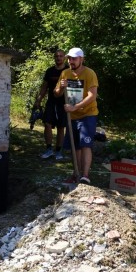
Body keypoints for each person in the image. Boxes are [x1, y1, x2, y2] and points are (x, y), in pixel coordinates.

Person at [53, 47, 99, 185]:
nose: (70, 61)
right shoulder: (65, 73)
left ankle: (85, 176)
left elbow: (92, 96)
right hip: (72, 116)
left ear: (81, 59)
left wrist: (75, 107)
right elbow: (56, 93)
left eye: (74, 58)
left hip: (88, 114)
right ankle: (76, 174)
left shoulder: (89, 73)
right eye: (69, 58)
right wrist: (61, 87)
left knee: (85, 144)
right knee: (75, 146)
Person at [33, 49, 69, 160]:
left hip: (64, 103)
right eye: (56, 56)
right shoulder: (50, 71)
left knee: (60, 127)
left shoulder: (68, 70)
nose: (58, 58)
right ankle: (49, 149)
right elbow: (44, 87)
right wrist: (39, 99)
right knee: (47, 124)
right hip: (51, 102)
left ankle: (58, 151)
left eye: (61, 56)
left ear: (64, 58)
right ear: (54, 58)